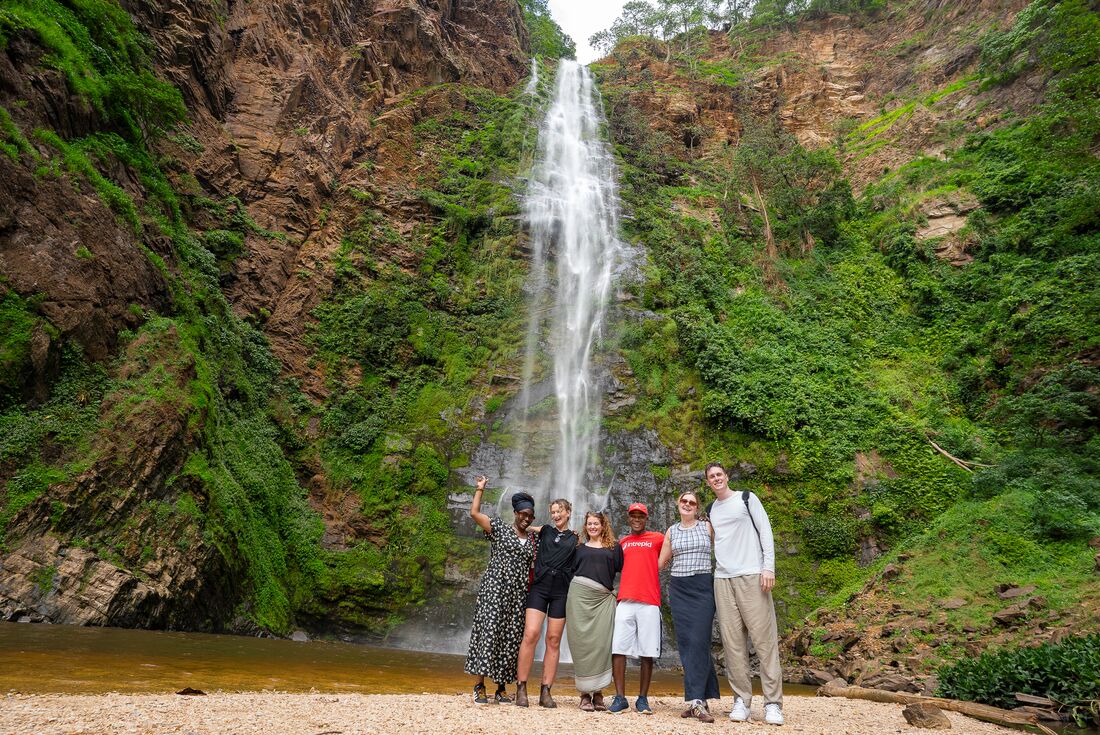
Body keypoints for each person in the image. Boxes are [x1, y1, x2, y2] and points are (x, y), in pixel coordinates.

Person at [705, 462, 784, 726]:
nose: (716, 479)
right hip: (723, 578)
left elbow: (766, 532)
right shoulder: (711, 510)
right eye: (711, 477)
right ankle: (741, 700)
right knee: (732, 644)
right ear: (708, 482)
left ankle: (773, 703)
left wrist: (768, 567)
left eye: (719, 474)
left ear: (726, 477)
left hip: (752, 575)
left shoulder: (747, 499)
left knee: (764, 641)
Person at [463, 475, 536, 704]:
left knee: (511, 639)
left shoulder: (533, 539)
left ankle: (501, 688)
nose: (525, 518)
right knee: (488, 634)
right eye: (522, 514)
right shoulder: (499, 528)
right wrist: (479, 489)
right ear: (515, 513)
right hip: (494, 590)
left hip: (518, 595)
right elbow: (474, 513)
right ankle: (479, 686)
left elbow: (547, 532)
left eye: (530, 516)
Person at [658, 490, 721, 722]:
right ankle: (699, 701)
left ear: (697, 507)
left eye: (691, 502)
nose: (687, 504)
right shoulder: (672, 531)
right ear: (678, 504)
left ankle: (697, 699)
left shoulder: (707, 527)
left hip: (703, 587)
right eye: (683, 501)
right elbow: (660, 563)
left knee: (699, 640)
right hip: (679, 589)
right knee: (687, 643)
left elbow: (726, 548)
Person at [515, 498, 577, 708]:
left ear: (568, 512)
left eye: (560, 511)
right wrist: (519, 524)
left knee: (553, 639)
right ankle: (521, 687)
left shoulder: (575, 538)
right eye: (553, 511)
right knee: (531, 633)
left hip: (561, 591)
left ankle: (545, 691)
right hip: (540, 588)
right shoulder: (545, 531)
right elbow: (528, 526)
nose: (556, 515)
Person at [608, 502, 664, 715]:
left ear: (646, 518)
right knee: (618, 648)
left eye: (641, 516)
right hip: (625, 601)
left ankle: (642, 699)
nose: (637, 519)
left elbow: (673, 544)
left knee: (647, 651)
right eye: (634, 515)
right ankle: (620, 697)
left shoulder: (657, 539)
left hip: (649, 602)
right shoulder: (622, 543)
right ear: (629, 518)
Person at [565, 511, 622, 712]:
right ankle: (584, 695)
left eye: (596, 523)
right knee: (581, 644)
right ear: (585, 526)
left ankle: (598, 694)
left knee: (602, 645)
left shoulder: (614, 548)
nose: (592, 527)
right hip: (579, 599)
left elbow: (621, 570)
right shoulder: (578, 547)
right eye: (589, 523)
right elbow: (569, 570)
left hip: (603, 600)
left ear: (603, 525)